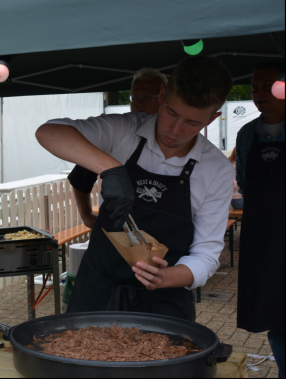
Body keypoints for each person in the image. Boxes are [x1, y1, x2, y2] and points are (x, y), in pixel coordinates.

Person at [35, 55, 234, 321]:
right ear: (162, 94)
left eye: (192, 123)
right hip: (97, 291)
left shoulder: (216, 169)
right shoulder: (123, 130)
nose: (175, 130)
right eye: (171, 113)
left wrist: (166, 276)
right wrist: (111, 169)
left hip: (164, 301)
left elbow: (206, 255)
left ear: (213, 118)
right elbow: (49, 132)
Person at [70, 67, 168, 229]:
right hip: (116, 232)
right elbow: (80, 178)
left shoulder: (176, 137)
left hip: (162, 231)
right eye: (135, 97)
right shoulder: (114, 134)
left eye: (147, 97)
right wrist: (87, 216)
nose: (139, 103)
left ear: (164, 97)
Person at [235, 61, 284, 378]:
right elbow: (243, 179)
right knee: (274, 310)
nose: (258, 93)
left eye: (267, 85)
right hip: (263, 236)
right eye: (254, 87)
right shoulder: (246, 134)